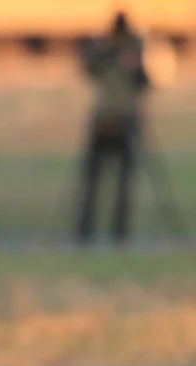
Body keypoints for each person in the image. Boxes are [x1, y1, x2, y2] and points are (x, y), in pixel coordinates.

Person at [75, 12, 151, 245]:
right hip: (104, 121)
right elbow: (88, 66)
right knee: (93, 181)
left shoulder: (132, 55)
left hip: (124, 121)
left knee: (122, 184)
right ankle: (86, 231)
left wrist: (134, 64)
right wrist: (108, 52)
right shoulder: (103, 54)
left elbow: (144, 83)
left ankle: (119, 231)